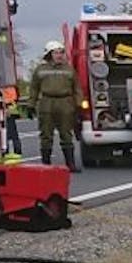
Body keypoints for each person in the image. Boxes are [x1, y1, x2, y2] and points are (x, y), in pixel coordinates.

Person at [30, 40, 82, 172]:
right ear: (49, 54)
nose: (59, 55)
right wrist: (31, 104)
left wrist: (78, 105)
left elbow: (77, 89)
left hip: (65, 103)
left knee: (66, 134)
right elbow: (34, 88)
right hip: (46, 103)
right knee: (46, 135)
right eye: (56, 52)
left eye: (61, 52)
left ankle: (70, 165)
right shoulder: (40, 70)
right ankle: (46, 165)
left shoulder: (69, 70)